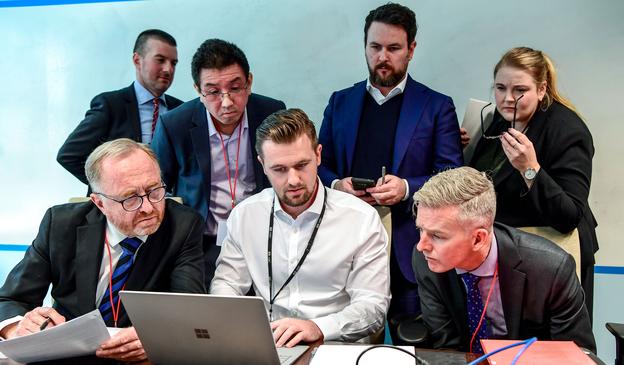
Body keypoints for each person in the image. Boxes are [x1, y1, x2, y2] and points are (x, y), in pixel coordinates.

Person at [317, 2, 463, 336]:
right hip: (345, 246)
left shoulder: (437, 105)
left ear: (411, 49)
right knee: (347, 346)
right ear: (365, 47)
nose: (383, 56)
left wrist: (407, 188)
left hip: (412, 250)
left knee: (413, 344)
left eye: (394, 48)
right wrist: (338, 185)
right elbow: (319, 165)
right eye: (375, 47)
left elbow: (453, 174)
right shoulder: (340, 101)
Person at [0, 139, 205, 362]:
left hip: (139, 356)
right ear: (99, 203)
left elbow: (189, 306)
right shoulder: (60, 224)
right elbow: (10, 299)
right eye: (130, 198)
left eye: (154, 191)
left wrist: (157, 335)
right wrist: (17, 328)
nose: (148, 207)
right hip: (70, 355)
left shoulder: (183, 225)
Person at [211, 109, 390, 347]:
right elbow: (227, 284)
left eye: (301, 165)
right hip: (268, 343)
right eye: (280, 169)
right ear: (262, 165)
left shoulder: (361, 219)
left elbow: (373, 306)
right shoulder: (245, 215)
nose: (293, 180)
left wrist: (318, 328)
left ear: (318, 155)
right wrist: (237, 325)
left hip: (332, 344)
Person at [463, 47, 597, 320]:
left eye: (519, 90)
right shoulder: (499, 120)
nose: (508, 98)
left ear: (541, 89)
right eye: (500, 88)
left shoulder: (568, 129)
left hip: (556, 252)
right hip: (511, 250)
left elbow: (568, 215)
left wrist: (530, 169)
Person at [412, 166, 596, 353]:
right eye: (420, 229)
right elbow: (445, 345)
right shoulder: (425, 260)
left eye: (437, 235)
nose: (422, 245)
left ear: (478, 238)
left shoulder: (551, 269)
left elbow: (577, 354)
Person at [152, 39, 285, 287]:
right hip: (201, 243)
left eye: (235, 88)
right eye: (213, 91)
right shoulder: (174, 125)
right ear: (198, 90)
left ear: (249, 82)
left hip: (262, 237)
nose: (226, 102)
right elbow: (157, 185)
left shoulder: (272, 113)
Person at [57, 29, 183, 187]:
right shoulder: (111, 105)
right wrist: (110, 188)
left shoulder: (181, 110)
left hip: (170, 205)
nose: (168, 69)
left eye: (173, 63)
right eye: (160, 60)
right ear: (137, 60)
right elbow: (69, 156)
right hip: (120, 205)